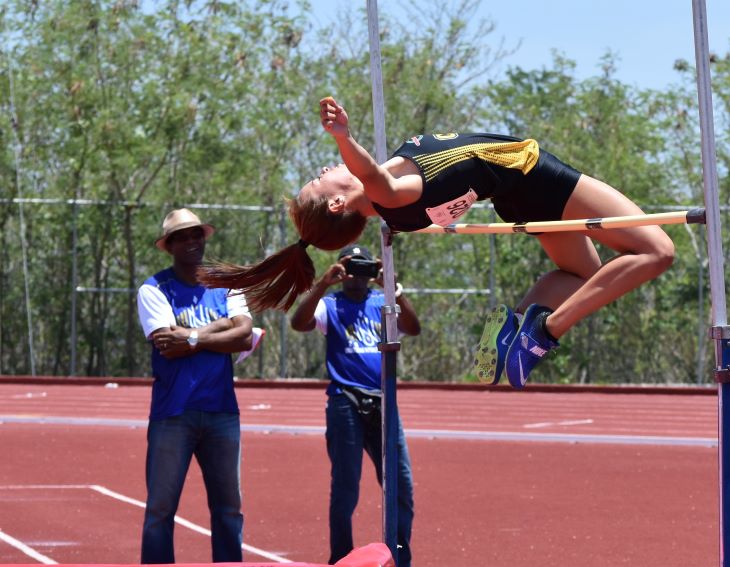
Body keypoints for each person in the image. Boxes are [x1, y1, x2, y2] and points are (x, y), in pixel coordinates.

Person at [198, 95, 675, 389]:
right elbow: (370, 174)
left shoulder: (396, 206)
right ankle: (545, 333)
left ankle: (511, 325)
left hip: (517, 197)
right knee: (656, 251)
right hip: (535, 177)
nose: (323, 171)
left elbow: (393, 179)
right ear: (339, 205)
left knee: (584, 277)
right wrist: (344, 138)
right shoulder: (388, 194)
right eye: (318, 182)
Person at [289, 244, 420, 567]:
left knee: (401, 484)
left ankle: (399, 555)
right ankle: (341, 557)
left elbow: (413, 328)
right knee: (346, 486)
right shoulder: (331, 304)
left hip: (383, 401)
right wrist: (323, 284)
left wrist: (392, 286)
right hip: (345, 400)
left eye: (364, 268)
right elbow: (299, 322)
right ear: (341, 269)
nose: (358, 276)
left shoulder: (383, 302)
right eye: (352, 267)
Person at [136, 208, 254, 564]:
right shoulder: (154, 289)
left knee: (229, 509)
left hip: (222, 412)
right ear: (169, 246)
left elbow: (245, 335)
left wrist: (190, 337)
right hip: (174, 413)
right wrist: (218, 329)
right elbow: (166, 345)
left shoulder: (226, 283)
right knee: (160, 510)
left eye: (196, 235)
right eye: (182, 237)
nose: (192, 242)